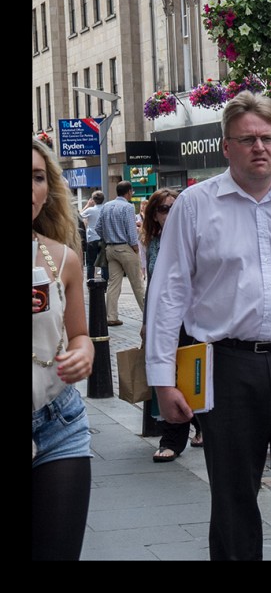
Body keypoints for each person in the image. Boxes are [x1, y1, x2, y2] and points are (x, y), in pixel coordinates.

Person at [144, 91, 271, 560]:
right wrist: (162, 381)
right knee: (234, 494)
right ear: (226, 146)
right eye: (248, 139)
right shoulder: (195, 206)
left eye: (268, 138)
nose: (259, 147)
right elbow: (168, 295)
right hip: (227, 365)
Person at [32, 137, 95, 560]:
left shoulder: (61, 259)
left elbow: (78, 333)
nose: (31, 188)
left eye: (37, 177)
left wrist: (85, 351)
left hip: (59, 424)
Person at [140, 188, 203, 463]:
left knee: (190, 376)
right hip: (165, 319)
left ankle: (186, 433)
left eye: (174, 207)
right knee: (174, 378)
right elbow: (152, 286)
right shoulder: (153, 243)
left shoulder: (193, 237)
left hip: (192, 319)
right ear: (154, 214)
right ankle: (183, 434)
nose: (170, 212)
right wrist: (146, 321)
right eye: (164, 208)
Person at [94, 179, 146, 326]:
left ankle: (111, 316)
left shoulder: (106, 206)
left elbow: (97, 227)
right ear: (129, 192)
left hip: (110, 249)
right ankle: (148, 315)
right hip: (125, 248)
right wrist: (135, 248)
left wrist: (107, 237)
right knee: (137, 284)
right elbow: (131, 231)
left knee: (113, 284)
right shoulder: (128, 207)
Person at [80, 190, 108, 281]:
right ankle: (104, 283)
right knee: (104, 262)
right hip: (103, 238)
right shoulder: (106, 209)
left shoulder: (90, 210)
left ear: (93, 200)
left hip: (92, 239)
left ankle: (90, 281)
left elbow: (79, 215)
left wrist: (88, 205)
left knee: (90, 263)